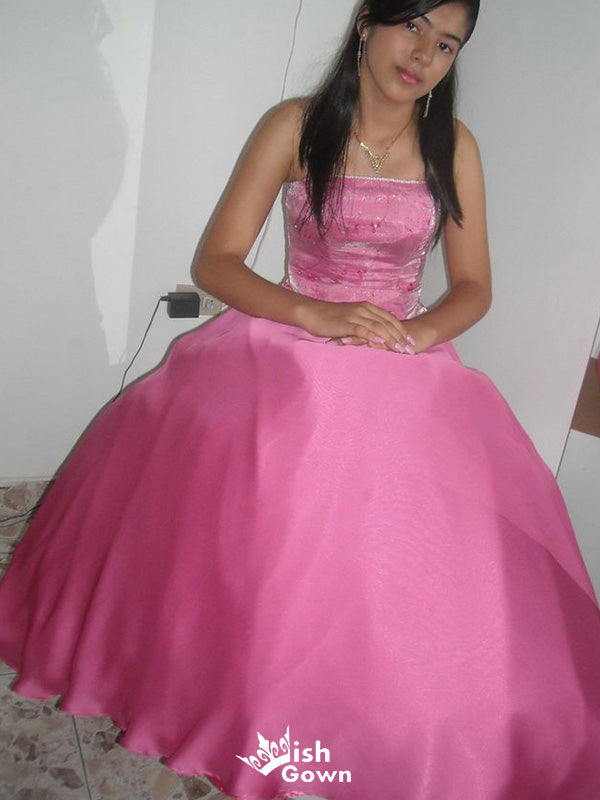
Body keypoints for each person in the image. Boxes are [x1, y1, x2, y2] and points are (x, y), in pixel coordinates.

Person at [1, 1, 600, 798]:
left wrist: (414, 336)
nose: (424, 53)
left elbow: (474, 286)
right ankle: (241, 688)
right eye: (413, 25)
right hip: (292, 337)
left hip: (402, 351)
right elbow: (217, 261)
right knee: (275, 487)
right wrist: (316, 316)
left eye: (447, 43)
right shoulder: (295, 126)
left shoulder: (453, 146)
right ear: (368, 23)